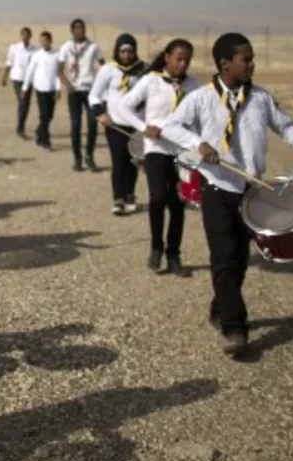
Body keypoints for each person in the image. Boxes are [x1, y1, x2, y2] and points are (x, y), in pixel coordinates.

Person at [161, 33, 293, 357]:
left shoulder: (260, 98)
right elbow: (171, 127)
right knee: (223, 255)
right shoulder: (202, 98)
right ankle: (235, 327)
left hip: (250, 189)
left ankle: (220, 306)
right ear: (225, 64)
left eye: (252, 59)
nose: (251, 65)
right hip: (216, 187)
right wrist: (198, 144)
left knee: (241, 259)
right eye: (245, 60)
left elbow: (285, 126)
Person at [117, 38, 199, 274]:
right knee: (158, 197)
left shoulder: (193, 85)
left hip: (183, 150)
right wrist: (144, 128)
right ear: (167, 57)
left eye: (187, 60)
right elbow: (124, 107)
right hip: (156, 148)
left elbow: (203, 115)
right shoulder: (151, 80)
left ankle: (174, 256)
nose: (183, 64)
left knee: (178, 203)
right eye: (179, 59)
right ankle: (156, 246)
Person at [90, 33, 149, 216]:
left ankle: (130, 195)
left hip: (137, 125)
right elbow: (94, 95)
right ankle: (118, 199)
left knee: (134, 161)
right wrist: (100, 113)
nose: (126, 55)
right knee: (118, 161)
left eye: (130, 51)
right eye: (123, 51)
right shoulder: (108, 70)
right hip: (115, 125)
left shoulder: (145, 70)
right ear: (117, 51)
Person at [58, 19, 103, 172]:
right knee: (76, 125)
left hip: (91, 90)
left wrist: (100, 85)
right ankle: (77, 158)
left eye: (82, 27)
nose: (80, 30)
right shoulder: (66, 47)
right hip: (74, 91)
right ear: (72, 31)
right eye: (77, 28)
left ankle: (89, 156)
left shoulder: (93, 47)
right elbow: (59, 70)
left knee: (92, 124)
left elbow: (104, 66)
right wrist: (68, 85)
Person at [20, 31, 59, 150]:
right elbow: (30, 72)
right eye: (41, 41)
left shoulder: (57, 54)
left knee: (49, 116)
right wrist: (25, 88)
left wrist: (58, 89)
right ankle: (46, 141)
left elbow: (59, 73)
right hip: (40, 89)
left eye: (45, 40)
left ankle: (39, 133)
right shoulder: (37, 55)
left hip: (52, 89)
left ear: (50, 41)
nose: (43, 43)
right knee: (45, 115)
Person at [2, 26, 37, 138]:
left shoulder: (34, 50)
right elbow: (9, 62)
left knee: (26, 104)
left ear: (30, 36)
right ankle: (20, 129)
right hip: (17, 78)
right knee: (22, 102)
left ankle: (22, 126)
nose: (25, 36)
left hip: (28, 80)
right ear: (21, 35)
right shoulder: (14, 48)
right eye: (23, 34)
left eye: (27, 34)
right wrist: (4, 77)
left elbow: (36, 66)